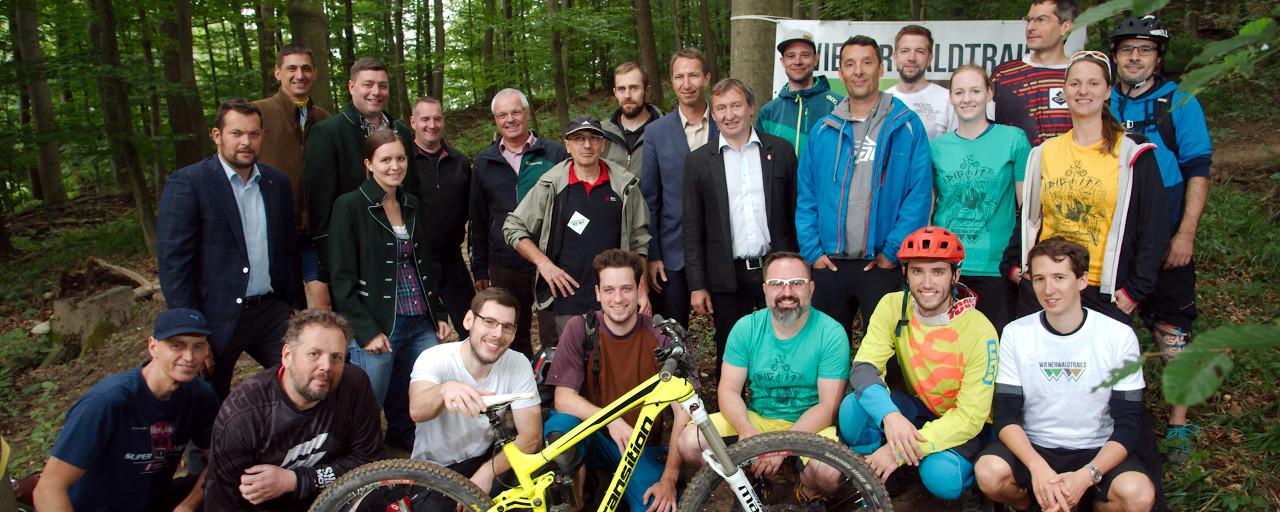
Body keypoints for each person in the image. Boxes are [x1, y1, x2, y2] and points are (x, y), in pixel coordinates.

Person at [976, 237, 1155, 512]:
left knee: (1138, 495)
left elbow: (1129, 424)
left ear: (1081, 280)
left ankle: (1092, 504)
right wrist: (1037, 468)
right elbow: (1005, 415)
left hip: (1097, 448)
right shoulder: (1016, 333)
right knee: (989, 472)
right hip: (1036, 445)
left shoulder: (1118, 335)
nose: (1049, 289)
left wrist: (1087, 475)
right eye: (1039, 279)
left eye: (1059, 277)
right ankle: (1026, 504)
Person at [1108, 14, 1214, 464]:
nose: (1135, 57)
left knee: (1172, 330)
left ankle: (1178, 424)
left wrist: (1185, 234)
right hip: (1116, 243)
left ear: (1158, 57)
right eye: (1127, 49)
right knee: (1111, 331)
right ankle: (1114, 418)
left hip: (1167, 238)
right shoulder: (1102, 99)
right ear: (1114, 56)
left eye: (1145, 49)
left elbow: (1198, 170)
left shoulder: (1179, 101)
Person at [1002, 51, 1169, 325]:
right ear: (1064, 90)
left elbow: (1154, 227)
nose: (1083, 91)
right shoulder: (1044, 152)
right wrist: (1015, 267)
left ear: (1107, 91)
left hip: (1103, 291)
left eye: (1093, 83)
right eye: (1075, 83)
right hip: (1046, 288)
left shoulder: (1133, 153)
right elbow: (1029, 219)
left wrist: (1134, 291)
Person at [157, 98, 306, 398]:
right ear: (217, 135)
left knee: (303, 376)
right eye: (236, 134)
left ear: (262, 136)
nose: (245, 142)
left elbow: (288, 250)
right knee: (207, 399)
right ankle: (207, 446)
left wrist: (295, 307)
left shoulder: (276, 183)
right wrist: (191, 333)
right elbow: (175, 265)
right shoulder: (189, 183)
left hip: (271, 310)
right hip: (215, 315)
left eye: (253, 134)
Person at [675, 252, 849, 505]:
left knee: (829, 474)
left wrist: (780, 446)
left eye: (796, 283)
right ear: (765, 289)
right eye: (777, 283)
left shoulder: (831, 333)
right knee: (690, 442)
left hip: (812, 423)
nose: (786, 292)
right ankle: (750, 482)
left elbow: (828, 406)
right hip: (758, 420)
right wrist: (747, 431)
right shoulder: (746, 328)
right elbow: (729, 390)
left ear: (811, 288)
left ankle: (808, 493)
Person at [837, 227, 998, 501]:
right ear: (905, 274)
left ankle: (965, 490)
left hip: (965, 423)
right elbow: (864, 368)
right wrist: (891, 417)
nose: (926, 283)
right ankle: (876, 474)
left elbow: (971, 417)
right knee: (853, 409)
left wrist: (896, 450)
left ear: (955, 275)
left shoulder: (980, 330)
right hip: (919, 407)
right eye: (917, 271)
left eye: (938, 271)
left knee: (942, 477)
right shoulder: (893, 305)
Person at [795, 35, 933, 339]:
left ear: (881, 69)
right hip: (828, 263)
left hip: (881, 263)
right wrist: (812, 250)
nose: (858, 71)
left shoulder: (906, 125)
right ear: (841, 73)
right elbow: (806, 195)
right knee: (827, 352)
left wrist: (892, 252)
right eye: (850, 64)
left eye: (867, 62)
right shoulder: (823, 129)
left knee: (888, 352)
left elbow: (919, 195)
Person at [328, 129, 453, 452]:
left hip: (420, 318)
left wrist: (438, 313)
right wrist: (366, 331)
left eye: (400, 158)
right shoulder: (350, 206)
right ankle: (355, 461)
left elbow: (426, 265)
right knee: (370, 399)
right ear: (369, 164)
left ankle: (409, 447)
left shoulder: (410, 203)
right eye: (385, 160)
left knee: (423, 391)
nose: (394, 166)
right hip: (378, 322)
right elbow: (341, 279)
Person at [542, 249, 689, 512]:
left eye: (626, 289)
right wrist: (611, 420)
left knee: (657, 505)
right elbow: (563, 400)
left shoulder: (660, 336)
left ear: (639, 289)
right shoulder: (581, 328)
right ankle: (573, 500)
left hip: (637, 445)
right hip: (591, 434)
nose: (618, 298)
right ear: (598, 293)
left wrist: (669, 478)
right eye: (609, 290)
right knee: (560, 430)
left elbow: (683, 413)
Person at [32, 309, 221, 512]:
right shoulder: (107, 401)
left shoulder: (199, 395)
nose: (189, 356)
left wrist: (188, 506)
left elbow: (221, 459)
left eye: (198, 347)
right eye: (177, 346)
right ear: (153, 346)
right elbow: (48, 489)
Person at [204, 310, 382, 511]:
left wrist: (295, 480)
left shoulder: (354, 384)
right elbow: (223, 501)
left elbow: (369, 461)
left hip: (334, 499)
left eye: (336, 357)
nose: (326, 366)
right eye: (314, 354)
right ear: (287, 356)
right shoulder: (243, 415)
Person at [683, 78, 798, 371]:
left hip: (776, 271)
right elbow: (693, 227)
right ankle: (731, 414)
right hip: (727, 276)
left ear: (750, 108)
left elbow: (796, 211)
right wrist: (697, 285)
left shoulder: (781, 152)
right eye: (721, 108)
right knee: (732, 352)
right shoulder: (698, 162)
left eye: (736, 105)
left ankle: (779, 410)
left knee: (783, 344)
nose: (729, 115)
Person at [503, 115, 651, 336]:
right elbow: (512, 226)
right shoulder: (550, 185)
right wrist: (544, 264)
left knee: (615, 365)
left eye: (593, 138)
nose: (587, 145)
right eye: (579, 138)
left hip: (615, 299)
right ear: (568, 145)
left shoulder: (624, 186)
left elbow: (639, 241)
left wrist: (641, 289)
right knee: (570, 365)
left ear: (603, 144)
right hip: (566, 299)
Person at [408, 287, 542, 497]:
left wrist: (487, 473)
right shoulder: (435, 357)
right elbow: (417, 409)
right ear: (469, 320)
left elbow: (531, 437)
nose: (497, 334)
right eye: (489, 322)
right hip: (434, 469)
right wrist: (444, 389)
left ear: (514, 333)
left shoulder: (518, 363)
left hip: (485, 460)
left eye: (507, 327)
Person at [305, 57, 416, 302]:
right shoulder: (328, 133)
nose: (376, 92)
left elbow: (412, 191)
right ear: (351, 87)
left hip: (401, 252)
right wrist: (330, 266)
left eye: (382, 85)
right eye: (368, 84)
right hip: (354, 257)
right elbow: (321, 208)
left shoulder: (403, 133)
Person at [930, 65, 1031, 333]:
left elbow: (1029, 208)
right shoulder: (937, 147)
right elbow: (929, 208)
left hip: (996, 268)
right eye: (959, 92)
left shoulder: (1014, 139)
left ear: (989, 93)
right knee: (947, 351)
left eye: (975, 90)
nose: (967, 98)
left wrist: (1025, 260)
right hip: (947, 265)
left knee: (995, 349)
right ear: (950, 97)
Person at [470, 88, 569, 357]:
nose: (510, 119)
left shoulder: (554, 154)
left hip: (550, 258)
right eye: (502, 114)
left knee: (555, 332)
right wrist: (480, 268)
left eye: (516, 112)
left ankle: (553, 389)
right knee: (510, 332)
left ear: (527, 113)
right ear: (495, 120)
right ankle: (519, 392)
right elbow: (478, 218)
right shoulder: (485, 162)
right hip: (505, 262)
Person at [641, 48, 721, 329]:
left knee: (731, 329)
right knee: (670, 333)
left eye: (693, 75)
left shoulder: (725, 126)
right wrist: (653, 255)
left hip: (721, 248)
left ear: (707, 78)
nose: (686, 83)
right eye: (679, 76)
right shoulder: (656, 132)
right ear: (671, 82)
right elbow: (650, 199)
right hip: (673, 253)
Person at [252, 44, 332, 309]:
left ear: (315, 73)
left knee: (324, 303)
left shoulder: (323, 119)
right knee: (285, 308)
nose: (300, 75)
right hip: (273, 229)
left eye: (306, 68)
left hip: (315, 230)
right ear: (278, 73)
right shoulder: (258, 115)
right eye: (292, 68)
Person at [408, 96, 477, 340]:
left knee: (471, 323)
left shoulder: (458, 161)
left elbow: (470, 211)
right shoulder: (403, 161)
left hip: (451, 258)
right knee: (425, 331)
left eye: (437, 118)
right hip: (413, 260)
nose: (432, 124)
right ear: (413, 122)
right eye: (425, 119)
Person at [992, 0, 1081, 146]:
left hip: (1069, 168)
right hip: (1016, 168)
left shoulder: (1080, 77)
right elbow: (985, 132)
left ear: (1065, 27)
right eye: (1029, 20)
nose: (1030, 27)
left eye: (1041, 20)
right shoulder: (1004, 75)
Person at [756, 29, 843, 156]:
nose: (797, 61)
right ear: (782, 61)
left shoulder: (839, 106)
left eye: (805, 55)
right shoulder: (768, 112)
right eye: (791, 56)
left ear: (815, 59)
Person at [886, 25, 958, 140]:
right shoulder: (883, 101)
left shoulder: (948, 99)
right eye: (905, 51)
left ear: (929, 58)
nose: (912, 58)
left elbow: (956, 149)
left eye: (919, 51)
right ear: (895, 57)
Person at [602, 61, 663, 175]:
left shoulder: (666, 131)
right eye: (621, 89)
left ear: (647, 90)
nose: (627, 95)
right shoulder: (601, 134)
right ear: (615, 92)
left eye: (634, 88)